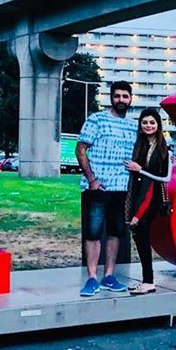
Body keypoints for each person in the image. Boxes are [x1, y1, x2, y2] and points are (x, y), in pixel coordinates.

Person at [76, 80, 138, 297]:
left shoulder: (133, 126)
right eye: (117, 96)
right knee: (93, 233)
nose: (121, 100)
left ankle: (109, 276)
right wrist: (91, 179)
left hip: (122, 189)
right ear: (111, 97)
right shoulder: (97, 120)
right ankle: (92, 278)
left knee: (116, 233)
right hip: (98, 189)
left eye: (125, 96)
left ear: (131, 99)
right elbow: (81, 149)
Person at [124, 107, 173, 295]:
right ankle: (146, 279)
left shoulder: (164, 149)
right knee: (138, 234)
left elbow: (166, 177)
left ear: (158, 125)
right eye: (145, 122)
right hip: (138, 195)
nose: (148, 125)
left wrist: (140, 170)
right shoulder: (139, 145)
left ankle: (148, 281)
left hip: (153, 197)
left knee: (140, 230)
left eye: (152, 122)